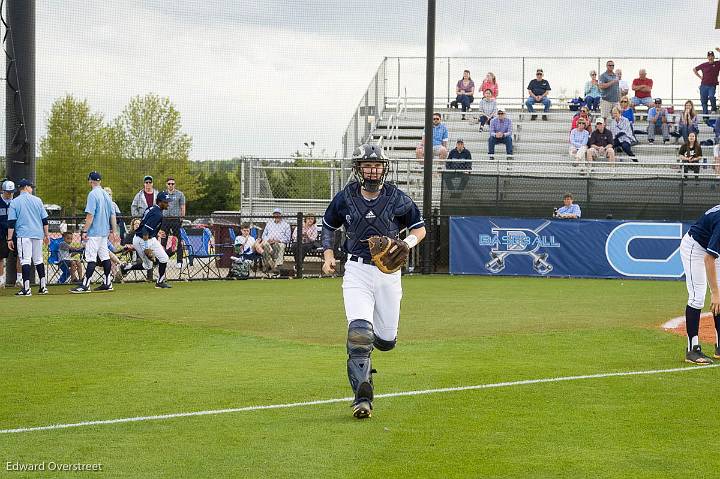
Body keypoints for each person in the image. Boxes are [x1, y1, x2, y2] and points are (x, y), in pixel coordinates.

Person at [321, 143, 426, 419]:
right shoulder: (345, 198)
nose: (372, 170)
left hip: (389, 274)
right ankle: (362, 397)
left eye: (377, 165)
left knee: (387, 339)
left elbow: (420, 228)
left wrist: (406, 243)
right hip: (356, 270)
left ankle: (376, 344)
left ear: (384, 168)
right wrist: (328, 255)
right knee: (359, 334)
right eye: (367, 165)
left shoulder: (396, 198)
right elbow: (329, 226)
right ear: (358, 169)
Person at [678, 202, 720, 364]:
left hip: (710, 248)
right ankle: (692, 349)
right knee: (697, 296)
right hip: (694, 248)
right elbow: (708, 258)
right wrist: (715, 293)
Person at [71, 172, 119, 293]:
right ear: (100, 181)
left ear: (90, 181)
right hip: (104, 232)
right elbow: (112, 214)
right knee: (104, 257)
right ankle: (108, 282)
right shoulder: (106, 194)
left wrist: (85, 230)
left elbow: (90, 215)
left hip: (94, 232)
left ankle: (86, 285)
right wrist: (114, 230)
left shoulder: (92, 194)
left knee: (91, 258)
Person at [118, 192, 172, 289]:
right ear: (160, 202)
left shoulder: (151, 208)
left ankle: (160, 282)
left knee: (164, 258)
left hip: (149, 238)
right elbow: (145, 230)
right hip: (141, 239)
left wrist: (156, 233)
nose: (168, 204)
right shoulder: (157, 214)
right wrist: (146, 247)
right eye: (166, 202)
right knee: (148, 266)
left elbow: (146, 224)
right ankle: (126, 267)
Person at [6, 178, 49, 296]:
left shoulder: (15, 202)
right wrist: (46, 235)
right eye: (30, 187)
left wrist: (9, 238)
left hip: (24, 235)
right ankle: (43, 287)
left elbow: (11, 222)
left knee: (25, 260)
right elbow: (44, 220)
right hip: (38, 234)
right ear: (26, 187)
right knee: (38, 260)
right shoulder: (38, 200)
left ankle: (26, 289)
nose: (31, 189)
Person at [161, 176, 186, 268]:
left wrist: (182, 218)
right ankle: (162, 260)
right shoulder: (162, 194)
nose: (171, 185)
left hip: (175, 220)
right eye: (169, 184)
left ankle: (179, 261)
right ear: (166, 184)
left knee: (178, 240)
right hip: (165, 219)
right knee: (163, 240)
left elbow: (182, 206)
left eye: (172, 183)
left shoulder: (180, 194)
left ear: (174, 184)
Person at [261, 207, 292, 274]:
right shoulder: (269, 223)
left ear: (281, 215)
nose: (276, 216)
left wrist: (278, 240)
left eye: (278, 214)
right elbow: (263, 235)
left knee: (281, 246)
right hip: (269, 241)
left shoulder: (286, 225)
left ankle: (278, 265)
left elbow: (287, 238)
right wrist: (268, 239)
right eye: (275, 214)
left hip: (280, 242)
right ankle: (271, 265)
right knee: (265, 245)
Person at [693, 48, 720, 116]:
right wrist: (700, 77)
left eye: (712, 56)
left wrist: (719, 51)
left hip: (712, 85)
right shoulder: (704, 65)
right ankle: (705, 117)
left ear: (714, 57)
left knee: (711, 96)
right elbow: (694, 69)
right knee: (704, 102)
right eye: (709, 56)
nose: (710, 57)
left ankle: (714, 109)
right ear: (707, 57)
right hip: (703, 86)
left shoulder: (717, 63)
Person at [0, 180, 15, 287]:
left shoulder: (16, 202)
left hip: (14, 231)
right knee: (0, 256)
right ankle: (1, 281)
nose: (10, 194)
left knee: (20, 255)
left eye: (11, 191)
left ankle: (19, 280)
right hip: (1, 232)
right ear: (2, 190)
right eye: (7, 192)